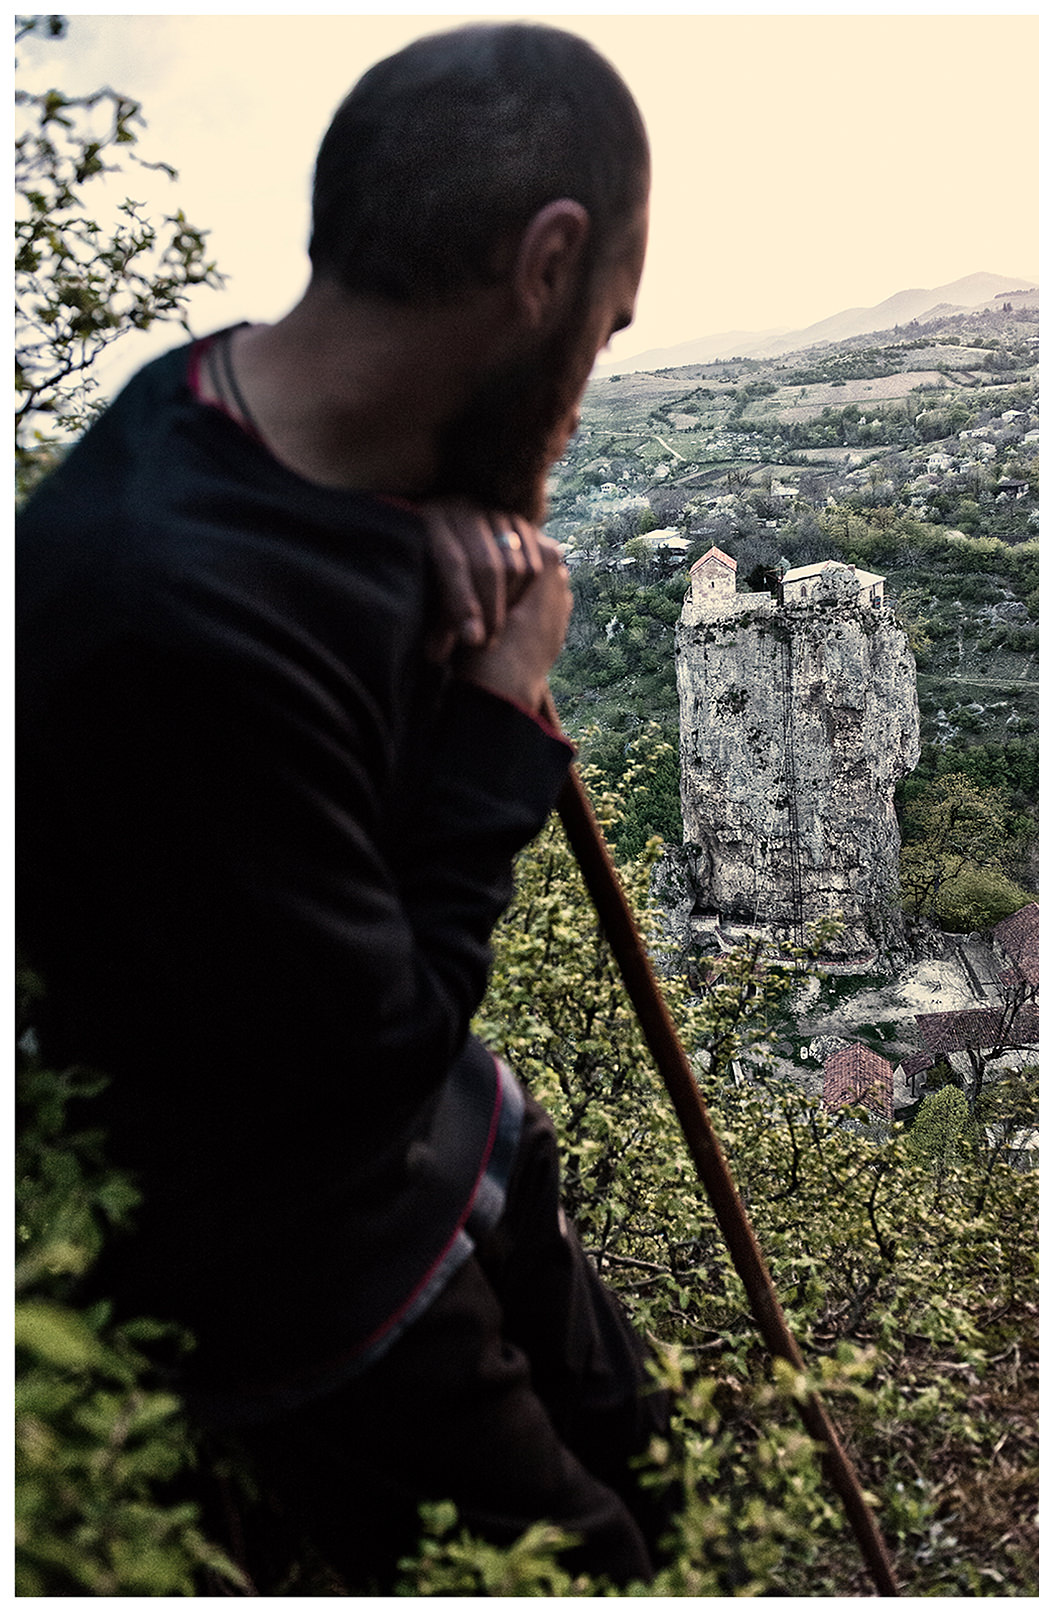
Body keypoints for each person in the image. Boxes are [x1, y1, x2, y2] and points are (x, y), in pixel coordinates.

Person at [17, 20, 667, 1591]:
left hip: (460, 1155)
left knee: (671, 1487)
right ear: (545, 262)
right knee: (602, 1578)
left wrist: (423, 525)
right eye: (603, 330)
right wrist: (500, 716)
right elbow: (364, 1062)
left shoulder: (227, 422)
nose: (584, 384)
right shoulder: (155, 617)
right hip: (323, 1281)